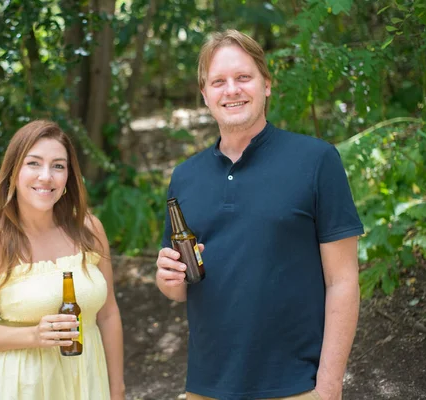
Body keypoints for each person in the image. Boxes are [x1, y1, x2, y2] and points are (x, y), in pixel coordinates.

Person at [156, 30, 363, 400]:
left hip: (296, 386)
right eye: (218, 81)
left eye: (243, 77)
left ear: (266, 84)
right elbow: (179, 288)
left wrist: (329, 387)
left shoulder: (316, 161)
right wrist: (169, 279)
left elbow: (343, 281)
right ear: (204, 94)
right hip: (207, 387)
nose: (231, 90)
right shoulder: (185, 177)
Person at [0, 120, 125, 400]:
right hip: (21, 386)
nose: (46, 176)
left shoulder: (89, 230)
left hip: (87, 381)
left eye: (58, 166)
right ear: (13, 172)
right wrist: (33, 336)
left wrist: (116, 388)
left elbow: (107, 314)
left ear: (69, 176)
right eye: (33, 163)